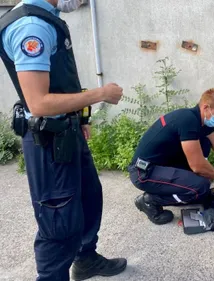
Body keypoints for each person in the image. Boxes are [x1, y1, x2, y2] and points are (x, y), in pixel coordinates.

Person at [0, 0, 128, 280]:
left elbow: (60, 81)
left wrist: (80, 119)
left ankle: (85, 259)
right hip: (48, 142)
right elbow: (39, 102)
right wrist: (100, 94)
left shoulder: (47, 18)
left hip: (66, 133)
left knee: (88, 198)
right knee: (58, 219)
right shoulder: (31, 27)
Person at [128, 88, 214, 225]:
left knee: (204, 145)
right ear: (206, 108)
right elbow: (198, 166)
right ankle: (149, 200)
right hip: (143, 172)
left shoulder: (200, 122)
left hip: (162, 165)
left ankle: (185, 190)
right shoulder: (188, 120)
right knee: (200, 186)